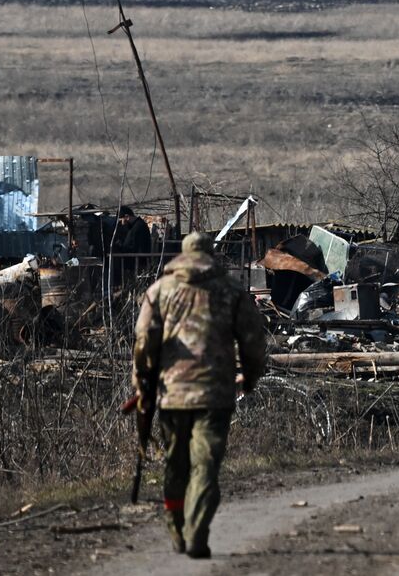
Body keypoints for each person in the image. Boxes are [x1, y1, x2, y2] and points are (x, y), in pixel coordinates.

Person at [132, 231, 269, 558]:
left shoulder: (159, 290)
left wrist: (143, 383)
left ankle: (177, 530)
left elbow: (143, 342)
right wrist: (249, 377)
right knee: (205, 466)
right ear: (210, 255)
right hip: (215, 394)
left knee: (175, 465)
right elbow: (253, 340)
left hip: (171, 394)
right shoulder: (232, 290)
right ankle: (197, 532)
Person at [110, 205, 152, 288]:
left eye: (121, 219)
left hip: (137, 263)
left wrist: (121, 246)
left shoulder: (138, 227)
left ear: (126, 216)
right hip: (136, 262)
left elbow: (133, 246)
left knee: (136, 286)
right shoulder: (136, 226)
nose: (121, 223)